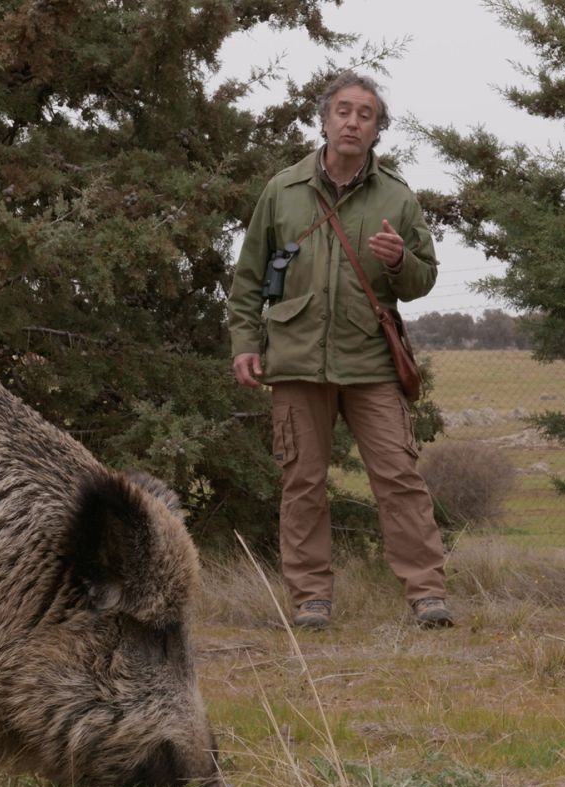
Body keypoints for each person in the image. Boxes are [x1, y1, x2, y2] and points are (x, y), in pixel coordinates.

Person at [227, 70, 452, 630]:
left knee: (399, 478)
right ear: (325, 120)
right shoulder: (282, 190)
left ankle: (427, 595)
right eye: (344, 111)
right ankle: (311, 601)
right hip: (297, 361)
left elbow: (422, 280)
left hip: (371, 363)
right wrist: (244, 343)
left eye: (366, 115)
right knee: (303, 483)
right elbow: (249, 275)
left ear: (377, 131)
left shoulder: (398, 198)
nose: (353, 122)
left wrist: (400, 260)